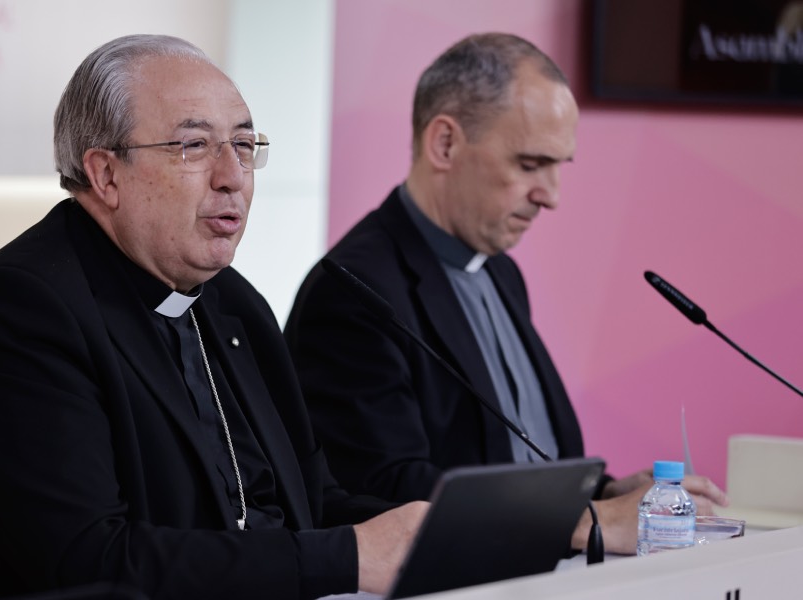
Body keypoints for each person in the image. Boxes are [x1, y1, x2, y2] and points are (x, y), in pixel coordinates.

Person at [0, 34, 427, 600]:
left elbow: (309, 503)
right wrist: (347, 558)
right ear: (106, 175)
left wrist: (442, 535)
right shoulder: (18, 313)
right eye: (194, 146)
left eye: (243, 144)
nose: (233, 175)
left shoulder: (234, 305)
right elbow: (91, 562)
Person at [283, 33, 726, 555]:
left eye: (559, 167)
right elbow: (383, 491)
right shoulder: (352, 290)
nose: (551, 196)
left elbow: (513, 458)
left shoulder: (500, 272)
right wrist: (587, 518)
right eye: (530, 164)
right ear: (444, 144)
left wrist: (607, 491)